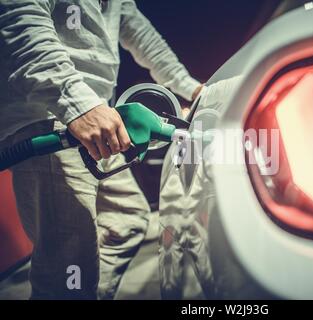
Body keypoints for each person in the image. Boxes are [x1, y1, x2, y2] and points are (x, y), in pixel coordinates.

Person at [0, 0, 203, 299]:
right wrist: (78, 105)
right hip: (51, 119)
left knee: (128, 220)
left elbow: (141, 34)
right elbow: (18, 16)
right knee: (67, 265)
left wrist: (192, 89)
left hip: (96, 120)